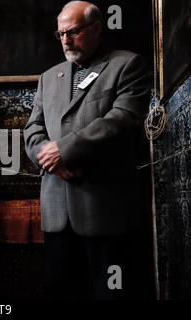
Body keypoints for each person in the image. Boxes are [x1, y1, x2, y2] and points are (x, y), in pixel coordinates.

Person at [24, 1, 150, 299]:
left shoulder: (127, 65)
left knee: (111, 293)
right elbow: (32, 130)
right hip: (57, 211)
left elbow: (122, 119)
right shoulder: (48, 78)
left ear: (96, 28)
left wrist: (64, 150)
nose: (66, 40)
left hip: (105, 211)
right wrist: (50, 158)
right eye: (61, 34)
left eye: (73, 32)